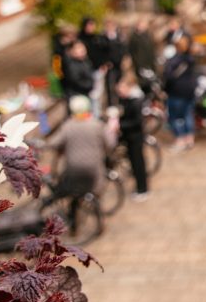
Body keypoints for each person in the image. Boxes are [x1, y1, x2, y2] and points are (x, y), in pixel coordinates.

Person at [47, 95, 114, 232]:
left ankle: (74, 225)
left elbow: (53, 143)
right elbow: (110, 143)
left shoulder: (68, 126)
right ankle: (100, 222)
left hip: (74, 168)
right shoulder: (96, 124)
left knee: (74, 195)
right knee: (96, 193)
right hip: (94, 168)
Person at [115, 77, 149, 200]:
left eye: (121, 87)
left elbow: (137, 121)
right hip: (129, 137)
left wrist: (120, 125)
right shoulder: (125, 99)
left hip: (135, 137)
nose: (119, 90)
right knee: (135, 163)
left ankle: (143, 189)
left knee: (138, 163)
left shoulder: (135, 101)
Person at [162, 35, 198, 152]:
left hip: (177, 92)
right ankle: (189, 138)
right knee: (187, 114)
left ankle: (180, 139)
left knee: (175, 117)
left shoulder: (173, 61)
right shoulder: (190, 59)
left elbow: (168, 78)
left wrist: (165, 90)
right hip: (189, 90)